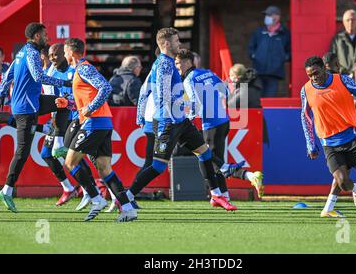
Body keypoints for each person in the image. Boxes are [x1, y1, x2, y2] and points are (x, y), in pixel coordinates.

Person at [117, 27, 238, 222]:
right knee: (157, 166)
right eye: (176, 41)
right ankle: (126, 197)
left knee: (205, 153)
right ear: (166, 43)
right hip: (168, 121)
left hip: (179, 119)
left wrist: (184, 108)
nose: (179, 44)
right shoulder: (164, 65)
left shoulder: (166, 63)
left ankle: (216, 194)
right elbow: (164, 95)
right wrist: (175, 115)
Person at [0, 23, 72, 213]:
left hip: (31, 103)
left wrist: (0, 95)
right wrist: (64, 82)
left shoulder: (21, 53)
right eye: (45, 35)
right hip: (27, 108)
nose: (48, 38)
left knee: (62, 103)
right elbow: (38, 77)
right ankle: (6, 189)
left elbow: (8, 75)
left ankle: (57, 143)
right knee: (22, 151)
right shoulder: (31, 54)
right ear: (37, 36)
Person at [301, 56, 356, 223]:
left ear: (324, 69)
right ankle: (355, 189)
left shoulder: (343, 80)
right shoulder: (306, 89)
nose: (313, 78)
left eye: (316, 73)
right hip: (329, 142)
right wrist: (310, 144)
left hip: (350, 136)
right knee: (342, 181)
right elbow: (305, 117)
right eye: (309, 75)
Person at [175, 49, 261, 198]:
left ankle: (248, 176)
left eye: (178, 63)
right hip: (223, 120)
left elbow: (194, 102)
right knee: (216, 160)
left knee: (214, 163)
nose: (176, 67)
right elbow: (226, 92)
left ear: (187, 62)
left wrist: (188, 118)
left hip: (211, 124)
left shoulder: (189, 79)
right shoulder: (208, 72)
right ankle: (224, 195)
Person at [57, 38, 126, 222]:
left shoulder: (83, 68)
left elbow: (105, 86)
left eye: (65, 52)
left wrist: (91, 108)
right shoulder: (80, 69)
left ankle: (96, 198)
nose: (64, 55)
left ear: (71, 52)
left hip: (93, 122)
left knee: (70, 162)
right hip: (102, 122)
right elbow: (87, 98)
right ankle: (127, 207)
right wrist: (69, 103)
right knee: (104, 169)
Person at [40, 43, 79, 206]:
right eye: (50, 56)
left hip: (73, 118)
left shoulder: (74, 70)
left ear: (64, 54)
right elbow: (50, 97)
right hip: (58, 119)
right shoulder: (50, 72)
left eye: (55, 55)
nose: (52, 59)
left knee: (69, 154)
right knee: (48, 154)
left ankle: (90, 189)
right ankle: (71, 188)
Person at [248, 5, 291, 97]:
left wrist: (283, 58)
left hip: (274, 73)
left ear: (277, 17)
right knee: (258, 99)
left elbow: (289, 50)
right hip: (258, 71)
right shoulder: (259, 31)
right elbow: (251, 48)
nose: (266, 17)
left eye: (269, 15)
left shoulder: (285, 33)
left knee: (270, 99)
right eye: (266, 15)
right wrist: (254, 56)